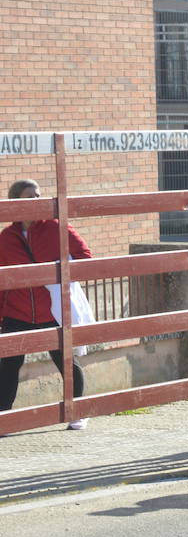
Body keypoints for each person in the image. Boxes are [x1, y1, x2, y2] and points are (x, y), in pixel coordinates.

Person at [1, 178, 94, 431]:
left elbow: (85, 257)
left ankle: (78, 411)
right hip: (16, 312)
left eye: (38, 196)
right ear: (14, 203)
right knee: (7, 366)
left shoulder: (56, 227)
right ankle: (3, 418)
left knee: (66, 361)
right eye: (29, 197)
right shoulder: (6, 237)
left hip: (51, 310)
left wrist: (55, 271)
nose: (36, 200)